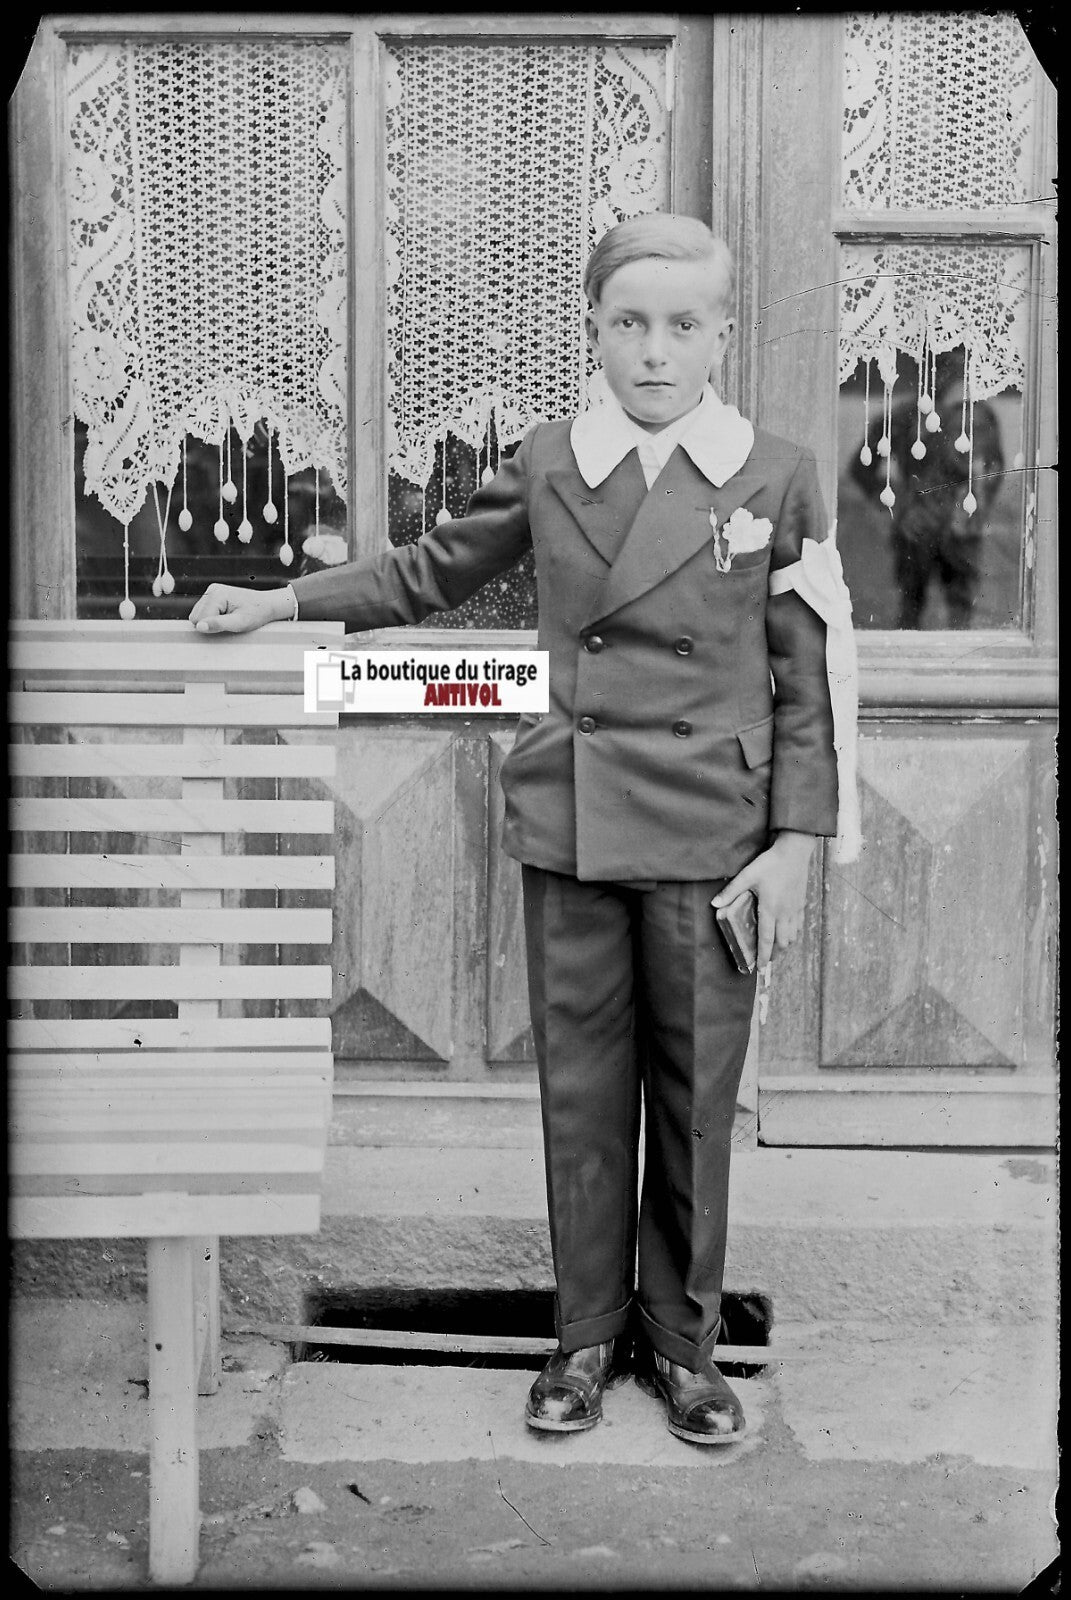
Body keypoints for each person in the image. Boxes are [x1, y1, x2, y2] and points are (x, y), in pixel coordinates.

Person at [190, 213, 855, 1446]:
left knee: (699, 1099)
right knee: (584, 1093)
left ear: (720, 335)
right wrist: (283, 599)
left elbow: (806, 673)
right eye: (629, 325)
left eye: (682, 327)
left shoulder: (776, 470)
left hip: (718, 831)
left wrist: (799, 839)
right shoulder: (553, 461)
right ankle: (586, 1337)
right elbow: (424, 572)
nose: (655, 352)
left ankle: (686, 1347)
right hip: (578, 821)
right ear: (596, 332)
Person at [848, 356, 1005, 629]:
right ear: (925, 373)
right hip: (917, 529)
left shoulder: (977, 416)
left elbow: (995, 468)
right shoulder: (901, 417)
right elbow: (861, 468)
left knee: (958, 615)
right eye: (941, 368)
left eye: (954, 369)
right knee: (912, 611)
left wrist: (977, 503)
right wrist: (892, 501)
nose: (947, 376)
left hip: (958, 530)